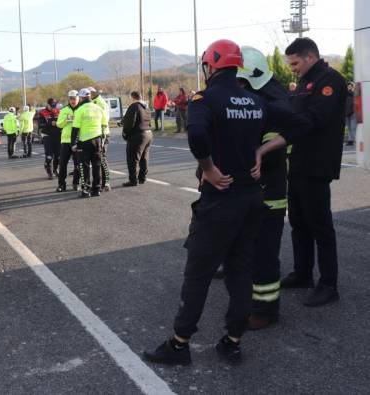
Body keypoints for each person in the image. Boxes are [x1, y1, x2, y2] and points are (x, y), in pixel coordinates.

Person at [143, 39, 310, 366]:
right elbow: (301, 124)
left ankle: (179, 344)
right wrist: (261, 151)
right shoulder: (254, 100)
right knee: (240, 268)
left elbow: (197, 135)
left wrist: (209, 169)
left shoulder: (205, 99)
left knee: (198, 273)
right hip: (251, 198)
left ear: (211, 66)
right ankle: (233, 341)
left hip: (220, 198)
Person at [275, 37, 347, 306]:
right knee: (298, 221)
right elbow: (293, 111)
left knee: (320, 225)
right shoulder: (305, 82)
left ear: (309, 57)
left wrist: (281, 136)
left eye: (295, 63)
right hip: (299, 162)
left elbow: (314, 119)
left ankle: (328, 284)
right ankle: (303, 272)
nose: (292, 68)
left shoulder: (330, 80)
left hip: (317, 164)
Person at [236, 46, 293, 329]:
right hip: (257, 189)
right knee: (252, 249)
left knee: (264, 253)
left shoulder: (274, 102)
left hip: (269, 191)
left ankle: (266, 311)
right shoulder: (265, 94)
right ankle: (255, 301)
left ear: (249, 78)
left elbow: (275, 147)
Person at [72, 88, 106, 198]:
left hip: (84, 141)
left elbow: (75, 128)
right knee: (96, 165)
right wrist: (102, 140)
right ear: (90, 96)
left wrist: (73, 143)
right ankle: (97, 189)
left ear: (81, 98)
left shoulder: (80, 110)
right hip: (97, 140)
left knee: (84, 166)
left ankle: (86, 190)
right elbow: (104, 125)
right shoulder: (98, 108)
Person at [121, 91, 152, 187]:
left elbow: (130, 122)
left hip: (138, 135)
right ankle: (142, 178)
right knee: (144, 157)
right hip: (148, 133)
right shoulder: (146, 107)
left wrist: (125, 132)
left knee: (133, 158)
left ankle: (133, 180)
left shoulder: (134, 106)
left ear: (132, 97)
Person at [56, 90, 81, 192]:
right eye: (70, 99)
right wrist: (67, 120)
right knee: (63, 164)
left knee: (78, 164)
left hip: (78, 140)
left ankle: (76, 183)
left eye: (74, 99)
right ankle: (61, 185)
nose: (72, 101)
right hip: (66, 141)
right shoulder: (64, 110)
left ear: (78, 98)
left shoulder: (82, 109)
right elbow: (59, 124)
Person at [88, 87, 111, 191]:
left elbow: (104, 120)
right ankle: (98, 182)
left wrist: (102, 134)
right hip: (94, 134)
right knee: (97, 159)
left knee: (102, 158)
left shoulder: (100, 103)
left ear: (92, 93)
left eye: (88, 94)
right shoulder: (93, 102)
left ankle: (106, 182)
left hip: (102, 134)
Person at [39, 99, 62, 178]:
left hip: (58, 135)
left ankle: (55, 169)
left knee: (58, 156)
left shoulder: (59, 112)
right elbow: (40, 125)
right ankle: (49, 171)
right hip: (47, 135)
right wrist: (50, 123)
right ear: (47, 104)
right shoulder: (42, 112)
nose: (53, 108)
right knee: (49, 156)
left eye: (54, 106)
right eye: (51, 106)